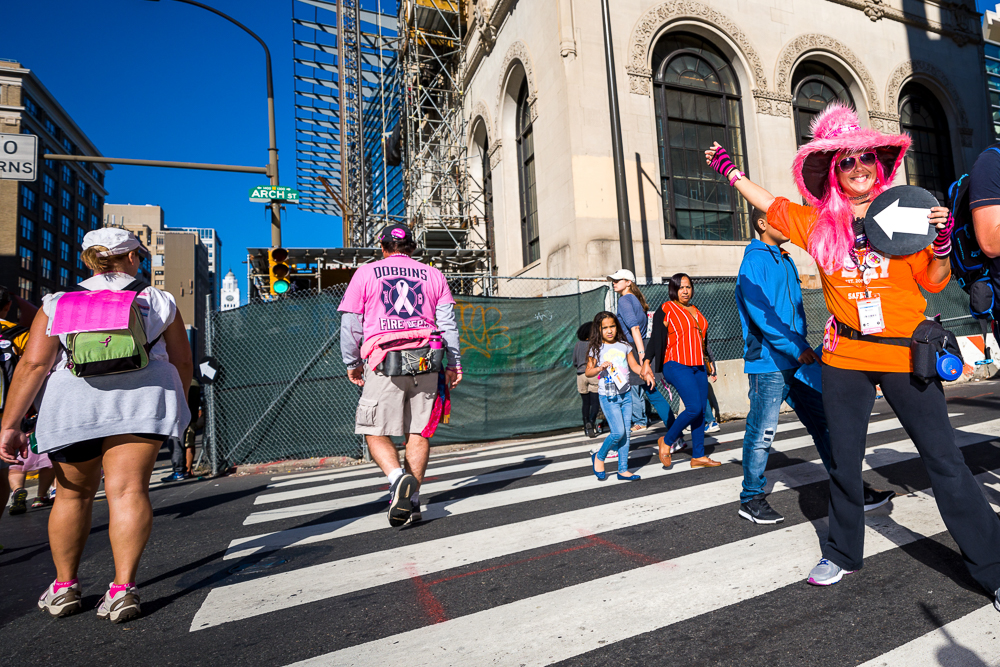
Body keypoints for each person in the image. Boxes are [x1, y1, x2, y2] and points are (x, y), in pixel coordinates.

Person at [705, 103, 1000, 605]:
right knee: (843, 462)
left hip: (906, 355)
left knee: (945, 461)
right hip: (844, 359)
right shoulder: (817, 223)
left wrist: (942, 245)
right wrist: (731, 172)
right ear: (833, 171)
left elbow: (933, 282)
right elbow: (770, 204)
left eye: (865, 157)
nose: (858, 166)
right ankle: (841, 552)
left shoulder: (905, 211)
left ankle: (993, 567)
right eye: (846, 160)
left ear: (877, 164)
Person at [0, 228, 193, 622]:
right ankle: (123, 590)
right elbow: (182, 360)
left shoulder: (57, 302)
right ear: (133, 257)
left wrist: (11, 423)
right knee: (128, 491)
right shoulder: (158, 300)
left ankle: (64, 588)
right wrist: (182, 405)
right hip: (141, 402)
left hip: (73, 406)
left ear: (88, 260)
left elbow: (34, 365)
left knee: (72, 496)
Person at [734, 207, 894, 524]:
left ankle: (851, 492)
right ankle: (751, 499)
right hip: (769, 363)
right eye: (779, 217)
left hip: (797, 360)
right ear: (763, 224)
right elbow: (762, 313)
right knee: (762, 432)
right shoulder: (754, 261)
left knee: (824, 424)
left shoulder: (786, 259)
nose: (788, 222)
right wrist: (796, 347)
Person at [339, 223, 462, 528]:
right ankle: (414, 501)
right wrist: (454, 364)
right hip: (427, 359)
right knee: (419, 432)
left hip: (384, 360)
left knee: (374, 430)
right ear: (413, 247)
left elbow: (351, 324)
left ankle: (397, 481)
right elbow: (448, 325)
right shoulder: (434, 275)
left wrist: (352, 362)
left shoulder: (366, 273)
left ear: (382, 247)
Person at [642, 274, 721, 468]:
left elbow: (702, 340)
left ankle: (698, 456)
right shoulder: (666, 308)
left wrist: (709, 362)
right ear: (673, 290)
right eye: (680, 287)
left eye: (688, 287)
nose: (685, 291)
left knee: (700, 411)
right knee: (693, 407)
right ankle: (667, 440)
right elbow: (656, 338)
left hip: (698, 365)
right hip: (676, 363)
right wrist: (646, 362)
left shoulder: (696, 310)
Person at [584, 311, 646, 481]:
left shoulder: (624, 345)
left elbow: (634, 366)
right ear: (598, 329)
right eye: (605, 328)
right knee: (618, 432)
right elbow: (588, 372)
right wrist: (599, 368)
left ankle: (623, 470)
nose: (609, 330)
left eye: (612, 326)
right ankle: (599, 456)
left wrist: (645, 373)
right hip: (609, 396)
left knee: (626, 433)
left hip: (626, 395)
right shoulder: (596, 348)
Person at [609, 269, 652, 432]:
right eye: (613, 280)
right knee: (644, 386)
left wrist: (640, 354)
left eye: (617, 280)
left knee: (632, 385)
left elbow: (634, 328)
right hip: (638, 345)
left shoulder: (624, 300)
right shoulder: (636, 300)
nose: (614, 283)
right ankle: (642, 419)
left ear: (628, 282)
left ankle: (639, 421)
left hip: (631, 347)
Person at [162, 378, 202, 482]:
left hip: (180, 418)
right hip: (189, 417)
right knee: (188, 442)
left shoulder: (178, 383)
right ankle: (187, 470)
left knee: (177, 443)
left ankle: (180, 471)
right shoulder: (193, 382)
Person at [572, 322, 600, 438]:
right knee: (595, 402)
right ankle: (592, 422)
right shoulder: (596, 344)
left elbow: (574, 361)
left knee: (585, 403)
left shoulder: (578, 344)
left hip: (580, 375)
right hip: (593, 373)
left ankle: (585, 425)